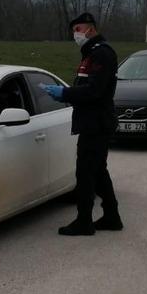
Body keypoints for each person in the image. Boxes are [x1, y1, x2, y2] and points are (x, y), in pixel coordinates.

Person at [43, 12, 122, 236]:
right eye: (74, 31)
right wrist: (66, 94)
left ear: (90, 29)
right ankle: (112, 216)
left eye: (78, 29)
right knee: (98, 172)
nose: (75, 35)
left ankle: (84, 221)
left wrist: (65, 93)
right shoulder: (90, 54)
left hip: (96, 123)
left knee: (86, 173)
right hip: (92, 121)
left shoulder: (102, 54)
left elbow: (95, 90)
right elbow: (87, 87)